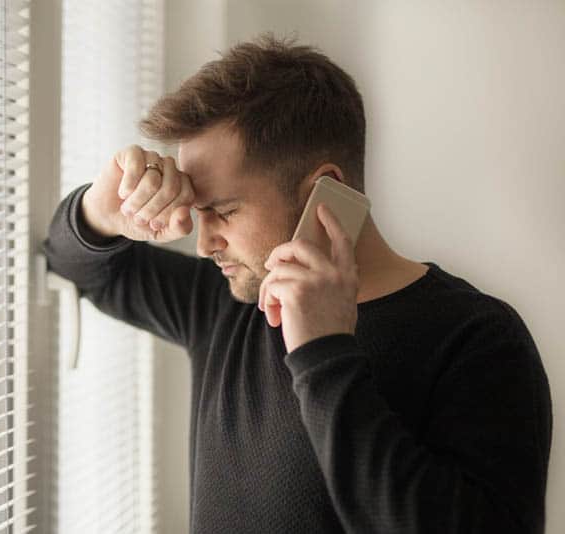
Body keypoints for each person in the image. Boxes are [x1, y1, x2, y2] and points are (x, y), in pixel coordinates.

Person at [44, 33, 552, 533]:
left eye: (221, 212)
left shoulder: (479, 339)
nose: (204, 243)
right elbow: (78, 266)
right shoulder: (228, 301)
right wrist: (102, 210)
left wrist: (324, 354)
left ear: (323, 193)